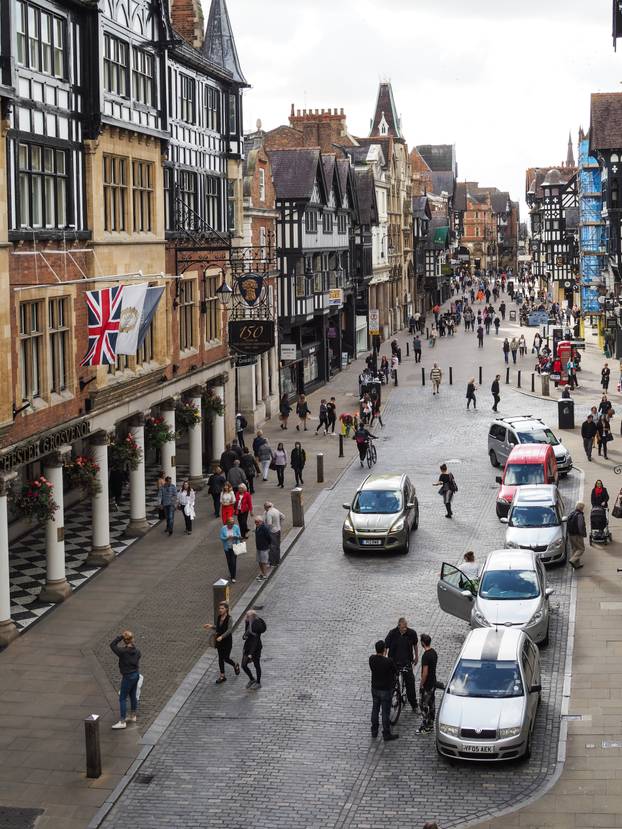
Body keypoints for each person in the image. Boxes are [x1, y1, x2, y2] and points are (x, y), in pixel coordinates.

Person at [385, 618, 419, 713]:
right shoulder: (392, 633)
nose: (405, 629)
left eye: (406, 627)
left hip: (406, 661)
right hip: (394, 662)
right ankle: (390, 700)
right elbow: (386, 647)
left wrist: (416, 656)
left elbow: (415, 645)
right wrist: (384, 659)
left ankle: (414, 705)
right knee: (391, 682)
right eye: (403, 627)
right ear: (399, 626)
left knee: (410, 683)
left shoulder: (411, 633)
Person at [110, 631, 141, 729]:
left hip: (128, 676)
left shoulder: (122, 652)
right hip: (136, 675)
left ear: (124, 640)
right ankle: (133, 715)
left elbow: (112, 645)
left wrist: (120, 636)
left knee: (122, 698)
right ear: (132, 639)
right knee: (132, 695)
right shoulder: (137, 651)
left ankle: (122, 721)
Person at [369, 640, 398, 742]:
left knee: (375, 709)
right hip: (385, 690)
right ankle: (386, 733)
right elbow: (395, 671)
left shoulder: (371, 659)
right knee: (385, 712)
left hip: (375, 688)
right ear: (384, 650)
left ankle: (374, 730)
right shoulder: (388, 661)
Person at [203, 601, 239, 684]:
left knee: (226, 658)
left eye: (222, 608)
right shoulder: (219, 617)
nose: (220, 610)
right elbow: (219, 628)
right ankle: (222, 676)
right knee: (220, 658)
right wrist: (211, 626)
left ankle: (235, 664)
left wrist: (222, 637)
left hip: (227, 641)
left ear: (226, 609)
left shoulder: (229, 618)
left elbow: (229, 630)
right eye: (219, 608)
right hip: (219, 641)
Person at [418, 633, 438, 734]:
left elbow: (425, 673)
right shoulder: (434, 652)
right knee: (432, 703)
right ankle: (431, 724)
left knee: (423, 705)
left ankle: (425, 726)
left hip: (427, 685)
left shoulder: (425, 656)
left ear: (422, 643)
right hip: (433, 683)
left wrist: (421, 684)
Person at [241, 609, 265, 689]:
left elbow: (255, 641)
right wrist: (244, 636)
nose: (246, 617)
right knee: (244, 665)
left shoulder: (257, 624)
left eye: (248, 616)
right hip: (248, 646)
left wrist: (251, 654)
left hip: (255, 648)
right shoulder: (249, 621)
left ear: (252, 616)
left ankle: (258, 682)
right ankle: (252, 679)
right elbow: (247, 632)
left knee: (256, 664)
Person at [220, 516, 241, 582]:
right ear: (227, 523)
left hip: (234, 547)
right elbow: (221, 537)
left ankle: (233, 577)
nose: (232, 525)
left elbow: (239, 536)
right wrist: (227, 538)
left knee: (233, 562)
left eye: (232, 524)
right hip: (227, 548)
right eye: (230, 524)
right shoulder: (223, 528)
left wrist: (235, 537)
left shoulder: (236, 527)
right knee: (229, 562)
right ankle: (231, 572)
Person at [264, 501, 285, 567]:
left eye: (264, 507)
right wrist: (279, 524)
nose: (264, 509)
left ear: (266, 507)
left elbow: (269, 524)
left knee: (272, 547)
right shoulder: (276, 510)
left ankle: (273, 563)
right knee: (277, 546)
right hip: (278, 530)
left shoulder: (269, 513)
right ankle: (278, 561)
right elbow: (283, 517)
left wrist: (267, 530)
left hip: (272, 532)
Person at [567, 502, 587, 570]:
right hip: (577, 535)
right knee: (581, 549)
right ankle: (572, 560)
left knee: (575, 549)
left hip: (571, 535)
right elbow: (580, 526)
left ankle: (576, 565)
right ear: (581, 508)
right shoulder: (580, 515)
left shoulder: (572, 513)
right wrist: (583, 534)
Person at [254, 515, 271, 580]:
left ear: (261, 522)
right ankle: (262, 572)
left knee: (264, 562)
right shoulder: (257, 527)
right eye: (255, 522)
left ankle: (265, 574)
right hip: (258, 547)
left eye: (257, 522)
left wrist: (268, 545)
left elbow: (269, 538)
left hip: (264, 547)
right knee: (259, 561)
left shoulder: (265, 528)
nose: (256, 523)